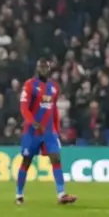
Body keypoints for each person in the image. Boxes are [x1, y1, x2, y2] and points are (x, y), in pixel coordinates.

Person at [16, 58, 77, 205]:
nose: (43, 69)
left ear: (49, 69)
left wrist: (57, 128)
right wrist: (32, 122)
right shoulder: (30, 85)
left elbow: (54, 109)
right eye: (41, 67)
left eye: (46, 67)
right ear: (37, 68)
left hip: (49, 132)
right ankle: (19, 194)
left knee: (56, 158)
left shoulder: (54, 87)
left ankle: (61, 194)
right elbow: (24, 107)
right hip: (32, 132)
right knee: (26, 161)